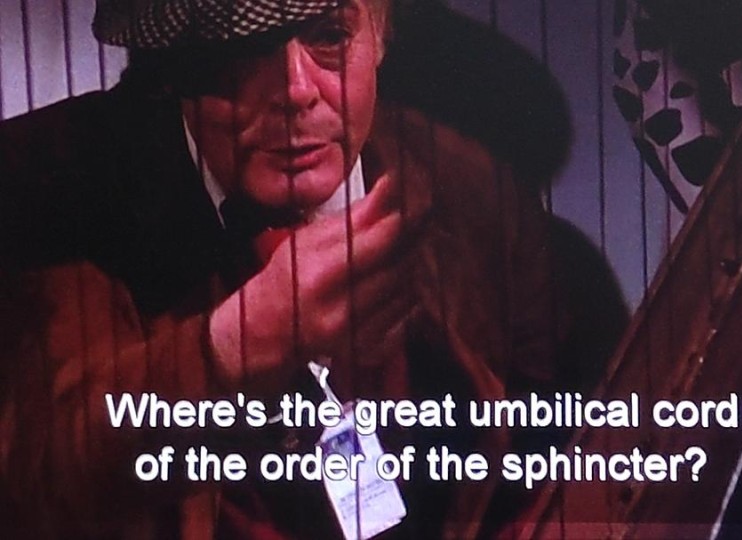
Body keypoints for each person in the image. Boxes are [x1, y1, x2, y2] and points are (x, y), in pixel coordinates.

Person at [0, 0, 627, 537]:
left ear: (379, 36)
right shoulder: (42, 190)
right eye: (245, 43)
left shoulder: (472, 190)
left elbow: (553, 435)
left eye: (328, 34)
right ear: (174, 66)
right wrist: (236, 348)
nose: (296, 89)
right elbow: (30, 475)